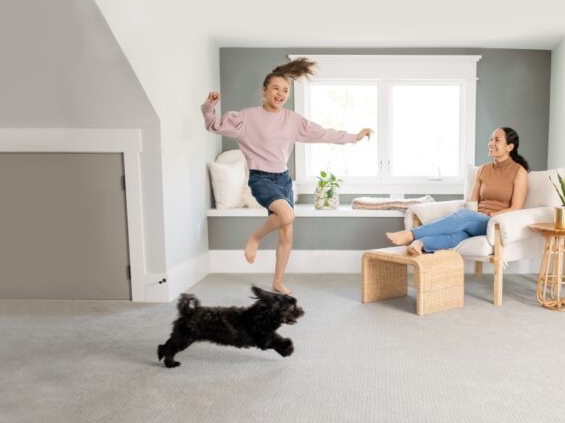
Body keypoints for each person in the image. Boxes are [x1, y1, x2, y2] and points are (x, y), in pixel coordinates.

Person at [202, 58, 373, 295]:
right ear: (264, 91)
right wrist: (208, 108)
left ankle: (277, 282)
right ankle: (255, 237)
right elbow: (215, 126)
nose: (280, 94)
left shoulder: (293, 120)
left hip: (283, 180)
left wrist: (354, 136)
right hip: (261, 178)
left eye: (285, 90)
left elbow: (323, 134)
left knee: (287, 230)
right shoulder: (246, 117)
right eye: (275, 88)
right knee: (288, 215)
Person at [386, 127, 529, 255]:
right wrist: (474, 215)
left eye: (497, 140)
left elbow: (516, 208)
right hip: (475, 220)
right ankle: (419, 243)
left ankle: (411, 234)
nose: (491, 143)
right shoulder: (483, 170)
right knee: (457, 235)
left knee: (464, 215)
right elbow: (472, 203)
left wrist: (491, 215)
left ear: (510, 147)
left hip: (494, 222)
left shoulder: (519, 172)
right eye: (490, 139)